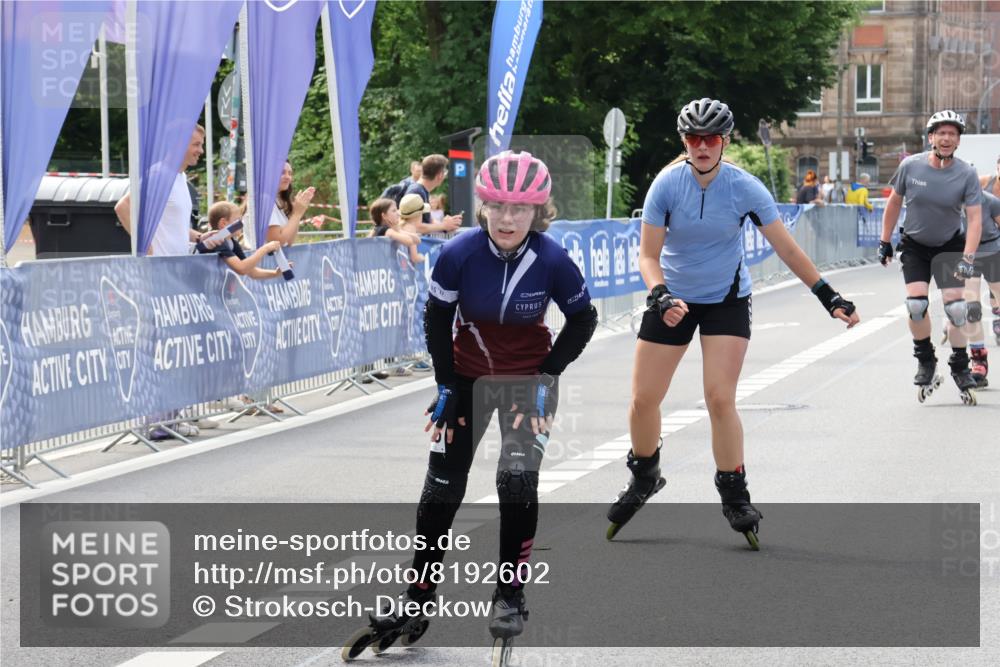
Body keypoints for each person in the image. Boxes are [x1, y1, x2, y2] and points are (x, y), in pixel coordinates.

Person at [342, 151, 598, 659]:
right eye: (498, 206)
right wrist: (446, 384)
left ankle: (510, 594)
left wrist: (548, 377)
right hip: (467, 378)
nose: (507, 218)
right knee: (441, 491)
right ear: (482, 205)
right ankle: (416, 602)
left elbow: (583, 321)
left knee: (517, 479)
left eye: (519, 209)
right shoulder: (459, 253)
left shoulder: (552, 260)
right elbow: (437, 319)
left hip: (529, 381)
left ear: (538, 212)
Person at [606, 98, 859, 549]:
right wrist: (660, 294)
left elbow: (787, 249)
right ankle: (645, 475)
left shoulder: (745, 188)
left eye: (711, 138)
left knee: (720, 398)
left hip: (725, 299)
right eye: (693, 139)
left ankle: (734, 493)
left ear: (724, 142)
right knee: (644, 400)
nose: (702, 146)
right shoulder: (666, 184)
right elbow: (647, 254)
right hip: (672, 297)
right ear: (684, 142)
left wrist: (829, 297)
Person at [877, 110, 983, 405]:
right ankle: (926, 359)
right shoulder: (910, 166)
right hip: (915, 245)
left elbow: (974, 219)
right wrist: (885, 242)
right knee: (916, 304)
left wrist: (969, 257)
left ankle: (961, 366)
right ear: (931, 137)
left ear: (959, 141)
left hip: (949, 244)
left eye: (952, 134)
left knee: (957, 309)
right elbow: (894, 203)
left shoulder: (966, 173)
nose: (946, 138)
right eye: (941, 133)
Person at [959, 187, 1000, 386]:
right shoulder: (952, 202)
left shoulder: (990, 201)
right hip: (968, 256)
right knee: (971, 309)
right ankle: (978, 360)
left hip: (992, 253)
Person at [202, 202, 288, 278]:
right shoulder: (217, 240)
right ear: (223, 223)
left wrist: (275, 273)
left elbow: (251, 271)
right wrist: (265, 249)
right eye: (238, 220)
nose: (241, 224)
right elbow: (241, 269)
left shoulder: (231, 242)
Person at [405, 154, 462, 233]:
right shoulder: (416, 192)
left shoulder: (422, 191)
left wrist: (447, 225)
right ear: (440, 175)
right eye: (445, 172)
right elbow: (416, 227)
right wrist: (443, 226)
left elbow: (429, 221)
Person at [264, 161, 315, 247]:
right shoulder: (265, 200)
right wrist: (297, 214)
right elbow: (276, 242)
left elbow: (289, 241)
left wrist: (296, 212)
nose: (288, 177)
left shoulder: (278, 201)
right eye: (282, 172)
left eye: (290, 173)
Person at [369, 197, 423, 264]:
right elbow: (409, 241)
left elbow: (417, 240)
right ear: (384, 216)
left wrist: (398, 230)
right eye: (394, 211)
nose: (398, 213)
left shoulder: (385, 229)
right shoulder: (386, 231)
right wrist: (398, 230)